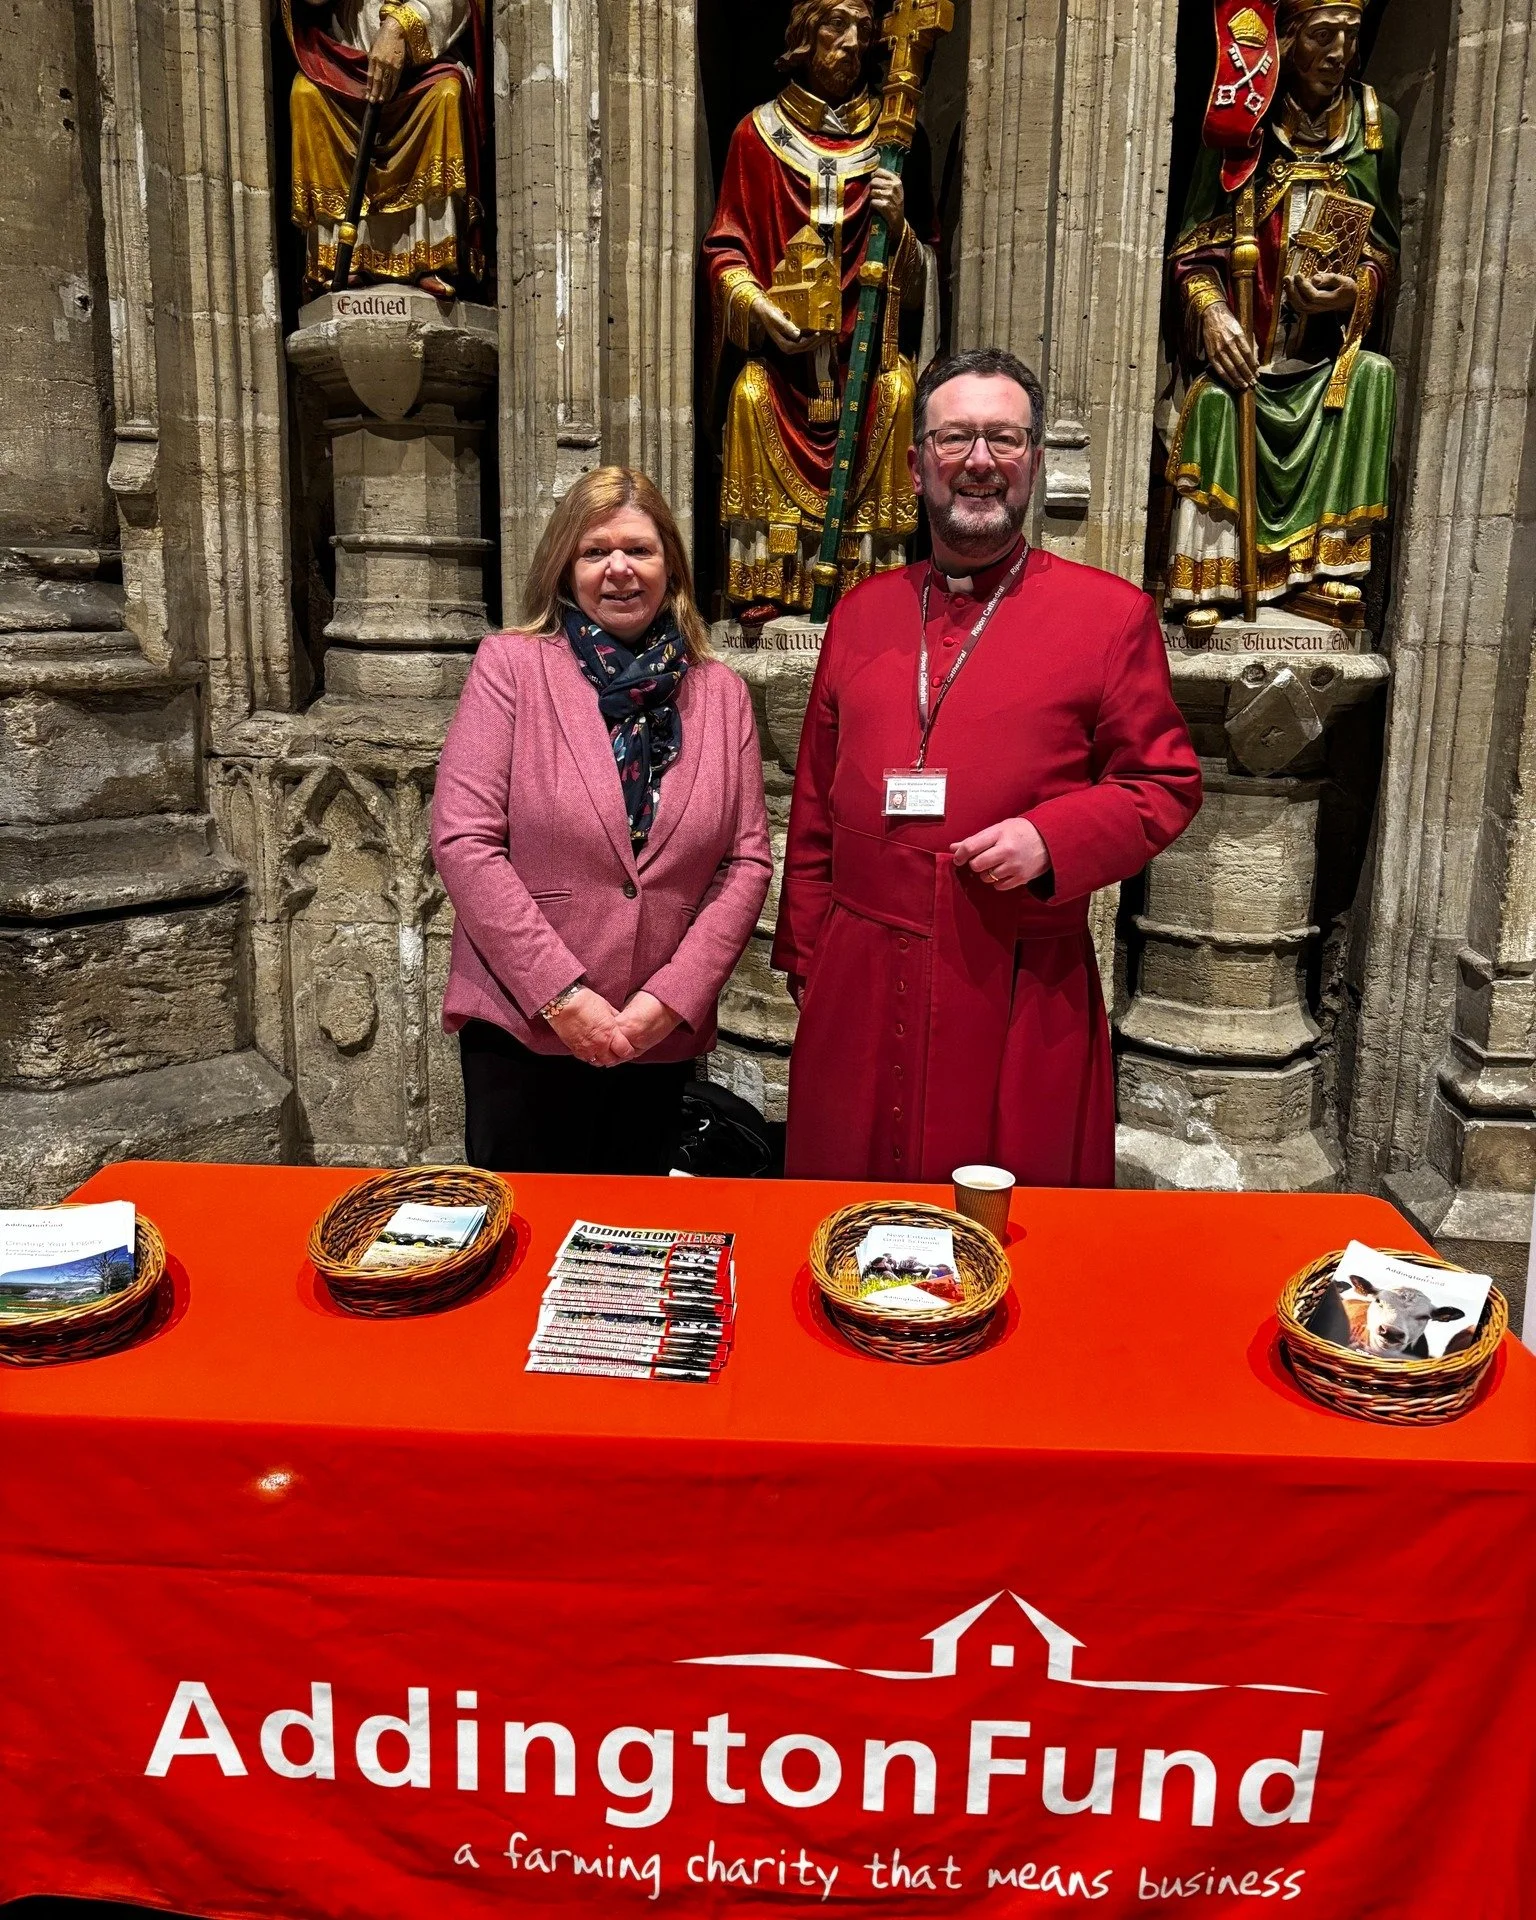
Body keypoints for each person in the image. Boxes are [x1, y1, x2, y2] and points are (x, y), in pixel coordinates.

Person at [771, 347, 1202, 1186]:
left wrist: (1052, 838)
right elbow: (816, 800)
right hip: (857, 980)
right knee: (842, 1221)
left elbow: (1166, 782)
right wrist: (808, 959)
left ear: (1034, 461)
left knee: (1009, 1250)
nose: (978, 462)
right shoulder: (860, 616)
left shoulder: (1109, 617)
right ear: (916, 462)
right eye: (954, 438)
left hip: (1014, 978)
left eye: (1003, 440)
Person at [433, 468, 772, 1175]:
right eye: (595, 552)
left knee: (635, 1250)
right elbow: (465, 841)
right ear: (566, 566)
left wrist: (669, 1000)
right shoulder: (514, 668)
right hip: (526, 1028)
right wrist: (563, 995)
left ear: (671, 566)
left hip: (656, 1035)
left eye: (640, 550)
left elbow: (745, 864)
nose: (619, 568)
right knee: (525, 1245)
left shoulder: (722, 693)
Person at [1164, 0, 1399, 626]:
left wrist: (1352, 294)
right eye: (1322, 36)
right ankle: (1213, 577)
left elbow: (1385, 253)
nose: (1339, 53)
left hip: (1321, 356)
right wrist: (1213, 315)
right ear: (1287, 38)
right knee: (1215, 402)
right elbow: (1191, 250)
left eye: (1350, 38)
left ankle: (1323, 571)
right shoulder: (1240, 123)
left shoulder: (1375, 127)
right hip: (1250, 353)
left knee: (1375, 377)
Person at [701, 0, 937, 618]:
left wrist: (897, 223)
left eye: (862, 27)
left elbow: (924, 280)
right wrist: (758, 309)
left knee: (899, 394)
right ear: (803, 35)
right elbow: (726, 251)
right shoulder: (756, 136)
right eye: (835, 23)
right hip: (786, 362)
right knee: (750, 397)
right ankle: (770, 584)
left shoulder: (897, 143)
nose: (852, 40)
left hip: (866, 355)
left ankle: (874, 589)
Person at [283, 0, 486, 296]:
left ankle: (429, 258)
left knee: (446, 95)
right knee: (306, 94)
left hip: (422, 66)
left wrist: (402, 26)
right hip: (346, 58)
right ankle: (344, 259)